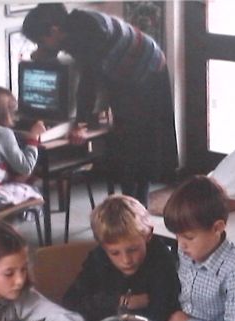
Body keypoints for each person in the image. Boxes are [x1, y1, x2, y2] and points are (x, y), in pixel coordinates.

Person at [22, 3, 178, 206]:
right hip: (123, 74)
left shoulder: (87, 29)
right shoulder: (70, 29)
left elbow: (88, 83)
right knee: (124, 139)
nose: (41, 45)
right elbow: (86, 71)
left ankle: (137, 204)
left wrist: (80, 125)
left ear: (53, 30)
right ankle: (130, 202)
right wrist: (43, 55)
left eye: (41, 41)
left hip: (148, 69)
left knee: (140, 141)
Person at [163, 176, 235, 321]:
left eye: (189, 237)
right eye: (177, 236)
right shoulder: (186, 250)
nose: (181, 245)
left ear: (217, 228)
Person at [62, 194, 180, 321]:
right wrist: (118, 302)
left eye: (133, 249)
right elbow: (70, 303)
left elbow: (161, 317)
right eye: (115, 253)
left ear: (148, 235)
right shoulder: (99, 258)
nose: (126, 260)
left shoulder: (162, 261)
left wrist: (101, 312)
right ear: (102, 246)